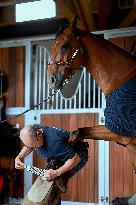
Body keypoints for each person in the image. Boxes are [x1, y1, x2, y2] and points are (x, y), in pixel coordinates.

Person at [15, 124, 89, 205]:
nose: (35, 147)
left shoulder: (55, 141)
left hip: (77, 156)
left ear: (39, 133)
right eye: (32, 146)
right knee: (50, 179)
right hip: (58, 155)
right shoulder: (33, 131)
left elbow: (76, 158)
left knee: (53, 184)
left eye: (35, 145)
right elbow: (29, 146)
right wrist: (19, 157)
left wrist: (56, 173)